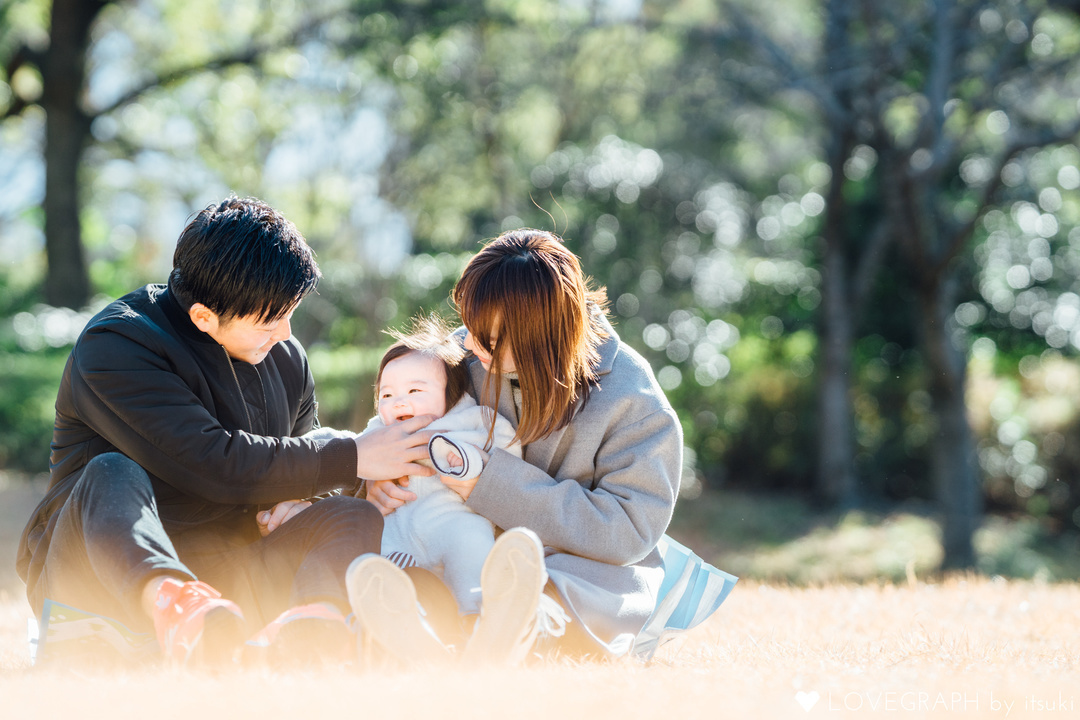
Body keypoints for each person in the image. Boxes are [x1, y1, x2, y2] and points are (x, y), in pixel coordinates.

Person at [15, 196, 436, 667]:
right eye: (270, 318)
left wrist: (297, 503)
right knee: (109, 472)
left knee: (351, 517)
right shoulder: (118, 345)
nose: (285, 332)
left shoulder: (285, 357)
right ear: (203, 317)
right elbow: (212, 462)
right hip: (98, 574)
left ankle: (312, 636)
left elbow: (294, 458)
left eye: (290, 312)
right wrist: (354, 457)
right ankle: (177, 608)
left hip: (225, 578)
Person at [362, 228, 682, 663]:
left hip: (576, 566)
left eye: (489, 339)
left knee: (557, 586)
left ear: (542, 336)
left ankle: (521, 627)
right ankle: (422, 631)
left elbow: (629, 529)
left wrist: (489, 483)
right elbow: (395, 424)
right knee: (431, 569)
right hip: (455, 541)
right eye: (470, 327)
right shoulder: (462, 356)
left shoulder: (633, 399)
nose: (470, 345)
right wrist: (379, 478)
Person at [310, 316, 521, 620]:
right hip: (395, 527)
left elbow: (508, 447)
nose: (398, 403)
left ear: (451, 394)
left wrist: (470, 463)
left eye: (414, 392)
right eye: (386, 395)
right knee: (370, 557)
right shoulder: (378, 431)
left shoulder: (471, 420)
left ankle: (476, 614)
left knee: (473, 548)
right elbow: (352, 456)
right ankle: (385, 618)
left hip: (452, 521)